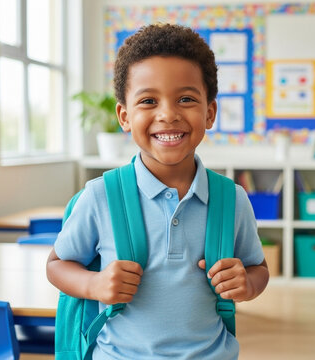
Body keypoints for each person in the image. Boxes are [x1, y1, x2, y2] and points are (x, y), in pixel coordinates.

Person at [46, 23, 269, 359]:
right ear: (124, 116)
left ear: (210, 112)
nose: (168, 114)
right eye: (148, 100)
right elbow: (57, 265)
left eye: (186, 99)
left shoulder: (232, 199)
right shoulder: (100, 196)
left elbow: (258, 268)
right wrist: (93, 285)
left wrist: (248, 283)